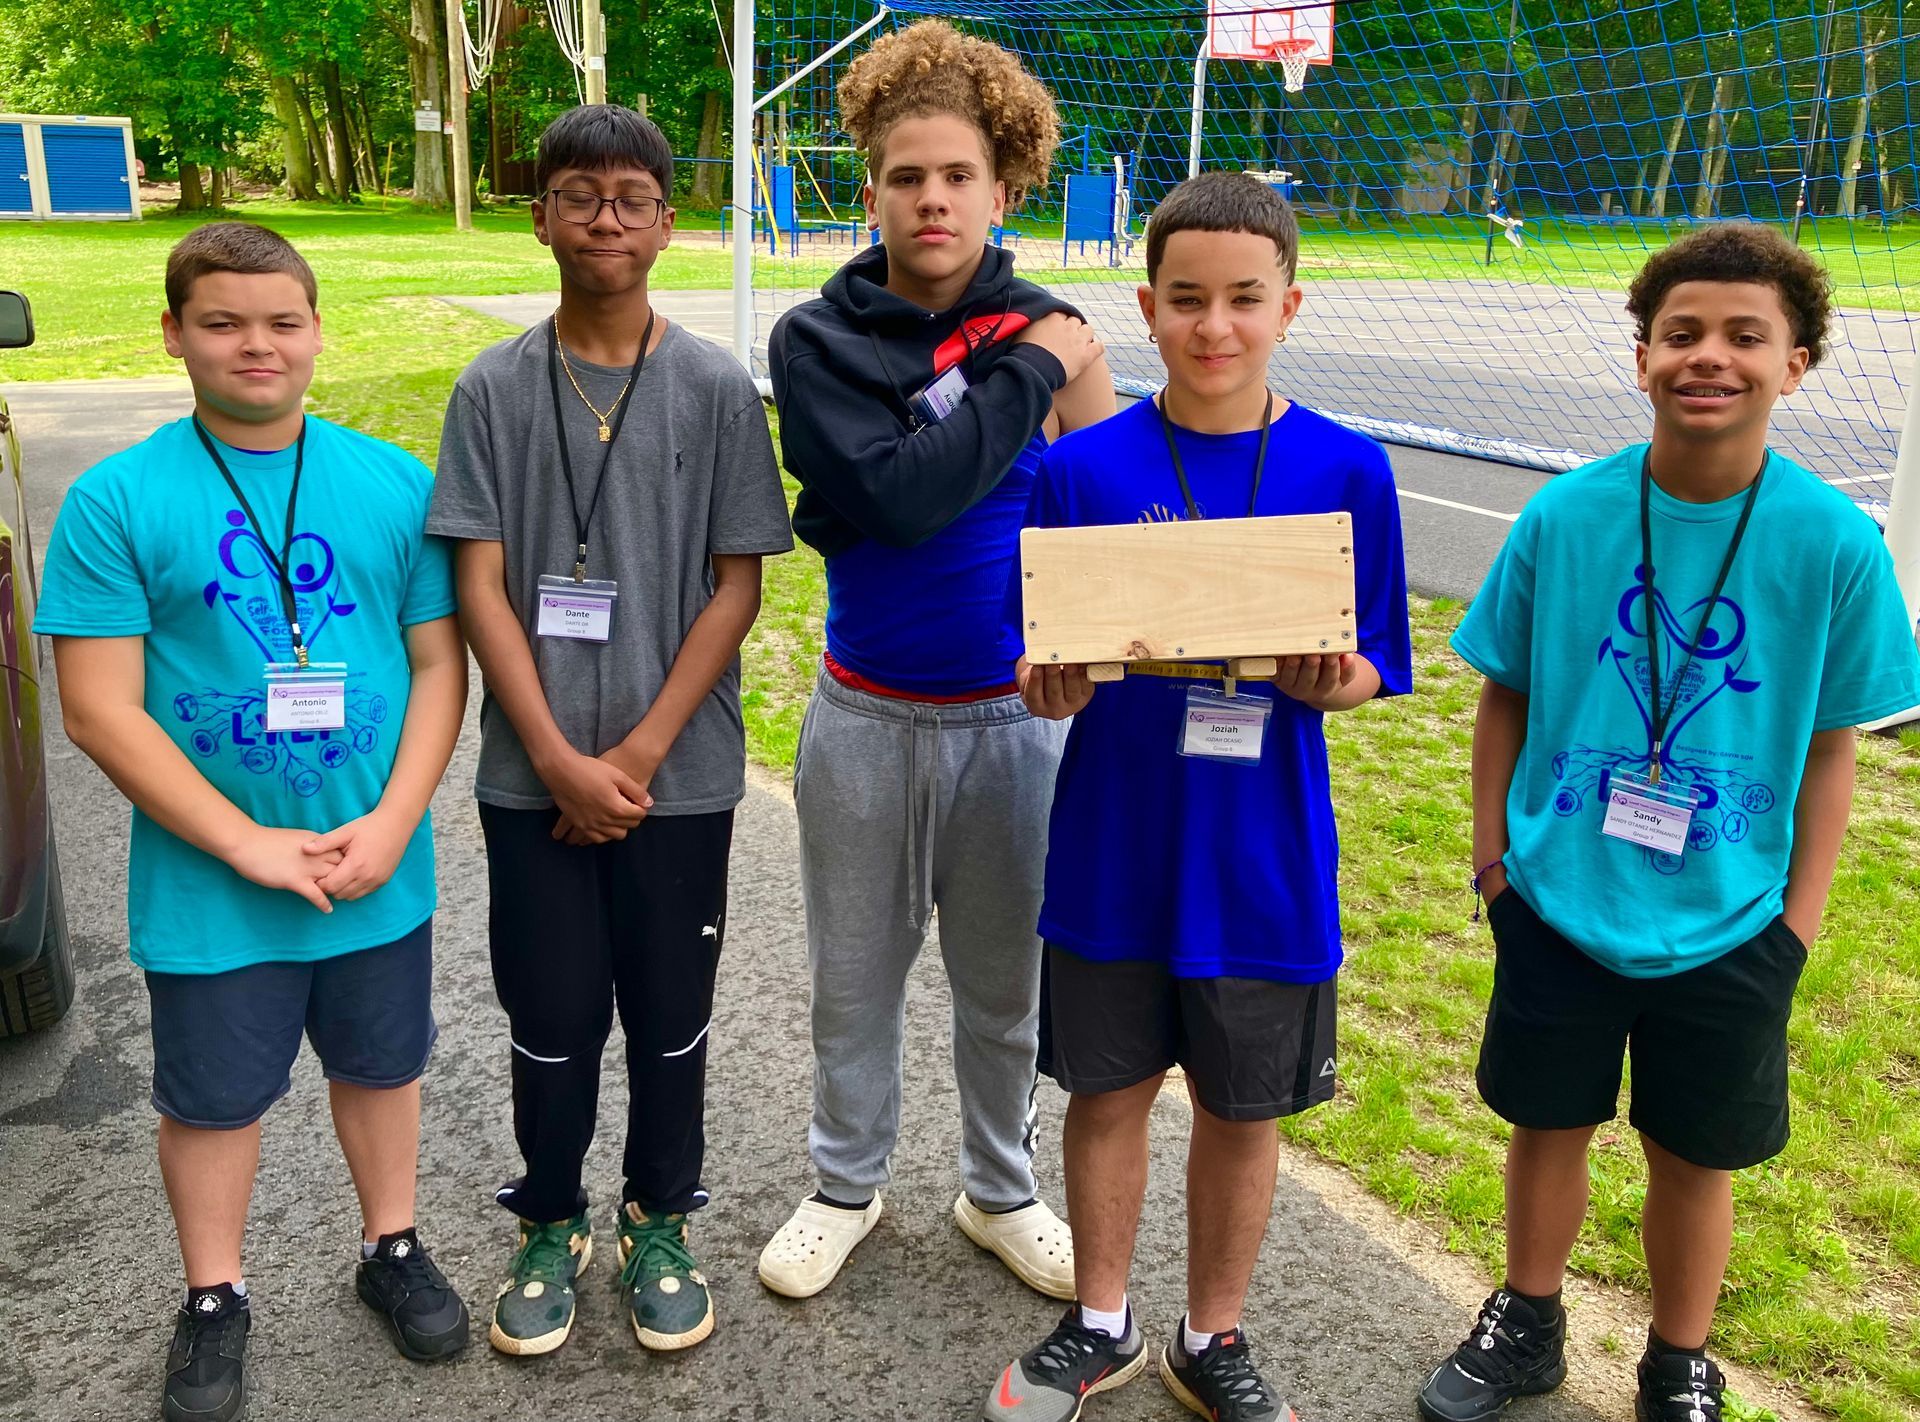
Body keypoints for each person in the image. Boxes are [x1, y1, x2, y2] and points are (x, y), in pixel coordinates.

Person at [1416, 224, 1920, 1422]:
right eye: (1683, 333)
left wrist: (1794, 924)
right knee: (1550, 1123)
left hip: (1733, 919)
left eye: (1747, 336)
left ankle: (1678, 1357)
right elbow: (1505, 697)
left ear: (1797, 363)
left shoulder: (1839, 544)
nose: (1712, 357)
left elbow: (1833, 747)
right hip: (1558, 898)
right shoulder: (1567, 515)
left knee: (1696, 1154)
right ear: (1641, 354)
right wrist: (1496, 865)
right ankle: (1526, 1320)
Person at [984, 171, 1413, 1422]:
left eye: (1242, 300)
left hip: (1264, 859)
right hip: (1117, 848)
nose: (1213, 327)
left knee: (1244, 1106)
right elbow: (1043, 663)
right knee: (1105, 1092)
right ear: (1147, 308)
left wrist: (1333, 681)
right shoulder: (1081, 471)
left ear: (1290, 303)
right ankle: (1102, 1320)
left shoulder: (1347, 468)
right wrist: (1049, 686)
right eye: (1186, 301)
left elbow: (1373, 659)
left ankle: (1210, 1337)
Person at [37, 221, 470, 1422]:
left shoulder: (391, 481)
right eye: (222, 322)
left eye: (282, 322)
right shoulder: (116, 500)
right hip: (215, 886)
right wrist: (244, 842)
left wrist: (393, 819)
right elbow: (99, 709)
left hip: (373, 861)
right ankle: (215, 1293)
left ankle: (391, 1247)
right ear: (174, 334)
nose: (256, 346)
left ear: (319, 331)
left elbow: (440, 669)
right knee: (214, 1097)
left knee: (385, 1067)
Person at [757, 18, 1116, 1303]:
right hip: (866, 716)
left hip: (1017, 724)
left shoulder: (1057, 329)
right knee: (851, 981)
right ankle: (844, 1184)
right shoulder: (818, 340)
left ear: (1002, 189)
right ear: (872, 190)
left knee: (1002, 988)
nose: (932, 198)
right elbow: (902, 504)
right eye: (907, 176)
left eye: (958, 175)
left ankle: (997, 1190)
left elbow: (1110, 507)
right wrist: (1025, 366)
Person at [428, 105, 792, 1358]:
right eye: (578, 194)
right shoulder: (492, 387)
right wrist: (555, 759)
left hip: (675, 781)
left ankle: (659, 1214)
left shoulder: (711, 388)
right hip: (532, 782)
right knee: (550, 1010)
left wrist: (631, 759)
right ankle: (549, 1215)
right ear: (540, 217)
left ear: (668, 223)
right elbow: (478, 584)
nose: (605, 217)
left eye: (631, 196)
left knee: (670, 1010)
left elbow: (737, 584)